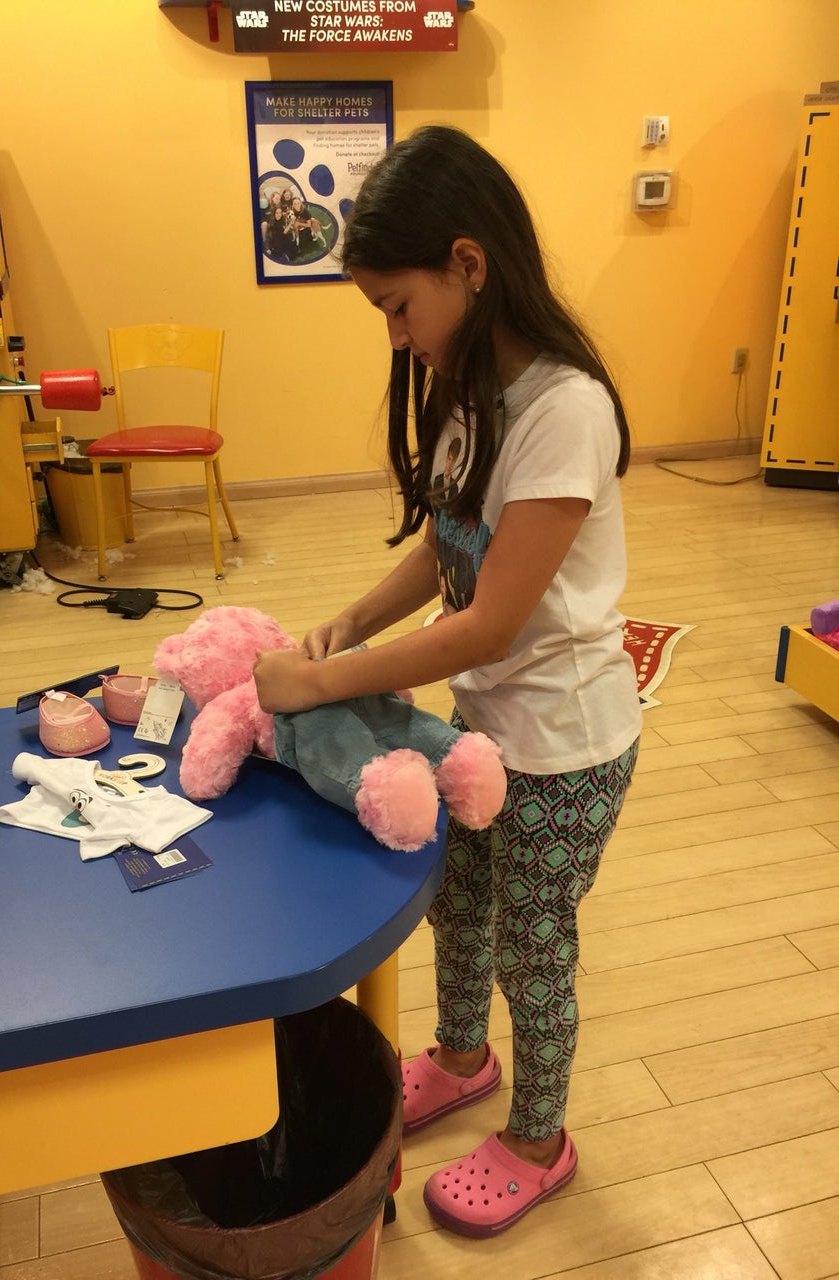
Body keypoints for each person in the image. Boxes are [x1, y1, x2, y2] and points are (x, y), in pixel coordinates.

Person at [253, 125, 641, 1239]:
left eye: (397, 306)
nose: (394, 334)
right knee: (456, 908)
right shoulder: (472, 389)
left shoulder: (566, 410)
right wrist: (347, 623)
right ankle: (464, 1058)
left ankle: (540, 1139)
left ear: (467, 264)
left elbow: (487, 621)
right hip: (486, 731)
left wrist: (321, 685)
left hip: (566, 750)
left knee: (533, 946)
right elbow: (443, 549)